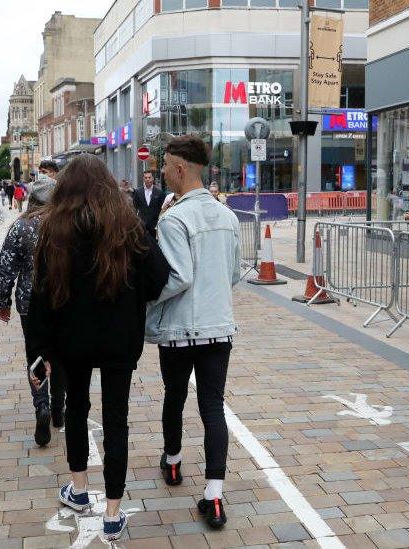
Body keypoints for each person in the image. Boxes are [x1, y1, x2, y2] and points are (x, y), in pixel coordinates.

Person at [27, 154, 170, 542]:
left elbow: (38, 296)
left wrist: (39, 351)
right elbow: (158, 280)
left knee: (76, 409)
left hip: (70, 340)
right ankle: (112, 511)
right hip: (120, 340)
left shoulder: (54, 230)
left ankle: (77, 488)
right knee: (116, 420)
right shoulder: (129, 229)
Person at [146, 135, 241, 529]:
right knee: (212, 408)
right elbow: (234, 273)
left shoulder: (174, 218)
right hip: (219, 327)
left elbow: (179, 276)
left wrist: (150, 298)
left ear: (181, 169)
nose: (162, 172)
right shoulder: (229, 216)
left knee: (174, 395)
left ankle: (172, 463)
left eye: (165, 165)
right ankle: (214, 496)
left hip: (181, 329)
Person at [0, 176, 66, 447]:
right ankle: (59, 409)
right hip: (63, 300)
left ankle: (41, 406)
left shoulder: (21, 227)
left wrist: (3, 302)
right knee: (61, 355)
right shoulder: (66, 225)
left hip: (29, 303)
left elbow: (6, 268)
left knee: (36, 355)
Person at [133, 170, 165, 238]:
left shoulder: (159, 192)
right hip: (142, 225)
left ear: (153, 178)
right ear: (143, 179)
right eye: (145, 177)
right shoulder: (138, 191)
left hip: (155, 226)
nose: (147, 179)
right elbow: (134, 208)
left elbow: (163, 208)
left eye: (149, 177)